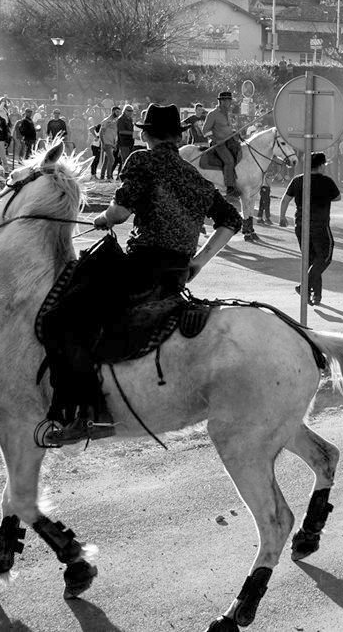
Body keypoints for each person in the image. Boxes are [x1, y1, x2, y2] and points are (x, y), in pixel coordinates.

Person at [45, 104, 243, 446]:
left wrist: (104, 218)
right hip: (177, 273)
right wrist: (197, 263)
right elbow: (232, 219)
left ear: (145, 134)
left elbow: (120, 213)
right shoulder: (194, 175)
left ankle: (92, 412)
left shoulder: (141, 160)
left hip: (140, 268)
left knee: (61, 320)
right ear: (178, 136)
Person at [278, 152, 342, 306]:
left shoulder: (298, 179)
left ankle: (315, 296)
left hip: (300, 224)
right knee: (325, 257)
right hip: (319, 225)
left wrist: (282, 217)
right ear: (320, 165)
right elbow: (337, 197)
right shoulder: (326, 181)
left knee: (311, 260)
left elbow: (285, 199)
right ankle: (304, 287)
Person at [202, 91, 242, 205]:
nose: (229, 103)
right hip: (218, 144)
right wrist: (215, 140)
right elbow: (205, 131)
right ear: (221, 101)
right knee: (229, 161)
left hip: (229, 141)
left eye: (230, 101)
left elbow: (227, 128)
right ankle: (230, 189)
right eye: (227, 101)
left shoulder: (228, 113)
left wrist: (234, 132)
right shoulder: (212, 114)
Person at [98, 106, 120, 181]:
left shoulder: (115, 121)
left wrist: (115, 144)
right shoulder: (107, 120)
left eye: (119, 112)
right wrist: (103, 143)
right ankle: (109, 176)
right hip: (107, 143)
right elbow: (101, 132)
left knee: (106, 160)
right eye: (117, 112)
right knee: (112, 159)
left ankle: (102, 176)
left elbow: (114, 134)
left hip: (111, 143)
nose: (118, 113)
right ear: (113, 111)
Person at [116, 104, 136, 168]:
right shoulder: (121, 119)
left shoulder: (130, 119)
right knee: (125, 161)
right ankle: (122, 176)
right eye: (129, 110)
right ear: (124, 111)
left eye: (131, 111)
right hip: (123, 143)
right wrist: (133, 133)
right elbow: (121, 131)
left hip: (130, 142)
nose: (130, 112)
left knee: (129, 161)